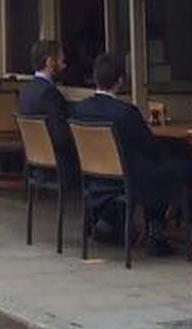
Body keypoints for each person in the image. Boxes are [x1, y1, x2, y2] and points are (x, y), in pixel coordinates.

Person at [70, 56, 181, 254]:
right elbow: (150, 148)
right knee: (172, 170)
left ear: (95, 79)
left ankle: (110, 222)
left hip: (93, 177)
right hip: (127, 180)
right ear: (120, 81)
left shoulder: (80, 109)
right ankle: (156, 231)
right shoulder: (126, 112)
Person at [17, 39, 79, 185]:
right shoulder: (49, 94)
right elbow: (61, 137)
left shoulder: (26, 90)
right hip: (56, 165)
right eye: (61, 59)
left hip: (33, 161)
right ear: (50, 62)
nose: (65, 64)